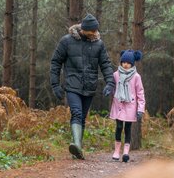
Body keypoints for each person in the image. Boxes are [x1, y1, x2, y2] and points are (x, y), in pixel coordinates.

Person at [50, 14, 115, 160]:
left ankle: (77, 149)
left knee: (82, 117)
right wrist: (55, 85)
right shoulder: (66, 41)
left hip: (89, 87)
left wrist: (110, 82)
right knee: (77, 113)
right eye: (92, 31)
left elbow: (105, 64)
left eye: (96, 31)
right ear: (83, 29)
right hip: (72, 86)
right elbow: (55, 62)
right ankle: (77, 145)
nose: (94, 33)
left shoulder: (99, 44)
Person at [109, 49, 145, 162]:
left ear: (132, 64)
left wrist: (140, 109)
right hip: (118, 105)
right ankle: (116, 151)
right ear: (121, 62)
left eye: (128, 63)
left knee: (128, 128)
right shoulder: (115, 74)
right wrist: (108, 89)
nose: (126, 64)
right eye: (124, 62)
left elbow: (140, 92)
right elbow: (111, 86)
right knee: (119, 127)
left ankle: (125, 152)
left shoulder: (136, 77)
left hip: (130, 106)